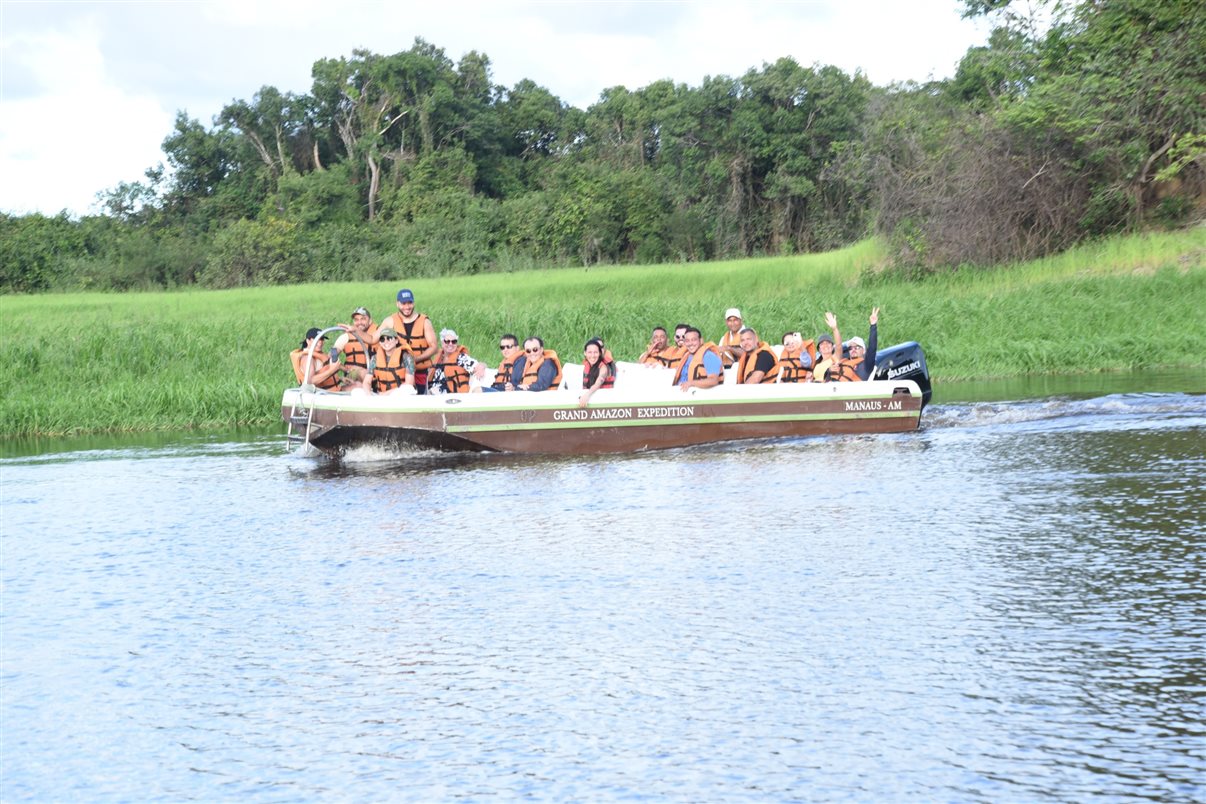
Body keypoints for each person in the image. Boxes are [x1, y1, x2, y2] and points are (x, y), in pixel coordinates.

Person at [379, 289, 438, 393]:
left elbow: (434, 347)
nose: (407, 307)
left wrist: (415, 359)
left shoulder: (424, 321)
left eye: (409, 303)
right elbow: (373, 339)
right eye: (403, 303)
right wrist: (355, 330)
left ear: (413, 303)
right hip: (399, 371)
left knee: (419, 397)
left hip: (420, 370)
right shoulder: (390, 321)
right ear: (397, 304)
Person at [828, 307, 880, 382]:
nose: (853, 350)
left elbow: (872, 348)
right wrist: (828, 370)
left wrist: (873, 325)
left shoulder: (866, 365)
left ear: (864, 351)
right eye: (851, 348)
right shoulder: (843, 361)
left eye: (857, 347)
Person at [428, 328, 477, 394]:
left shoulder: (461, 358)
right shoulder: (438, 359)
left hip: (452, 396)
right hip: (433, 392)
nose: (450, 344)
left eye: (453, 341)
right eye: (447, 341)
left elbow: (478, 366)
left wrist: (481, 366)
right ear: (442, 343)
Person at [332, 306, 378, 374]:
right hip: (353, 375)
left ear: (370, 320)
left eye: (363, 319)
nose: (359, 322)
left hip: (375, 375)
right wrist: (346, 370)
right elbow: (332, 355)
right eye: (356, 320)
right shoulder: (346, 337)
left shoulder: (378, 334)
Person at [371, 328, 415, 394]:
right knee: (357, 391)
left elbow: (409, 384)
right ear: (380, 343)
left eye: (389, 338)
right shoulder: (375, 358)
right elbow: (367, 381)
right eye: (382, 339)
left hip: (400, 395)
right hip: (380, 395)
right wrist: (367, 392)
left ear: (396, 340)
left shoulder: (407, 357)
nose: (386, 342)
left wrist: (386, 394)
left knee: (408, 389)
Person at [578, 337, 615, 407]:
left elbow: (599, 381)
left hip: (604, 401)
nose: (592, 356)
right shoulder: (586, 366)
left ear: (599, 353)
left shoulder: (603, 367)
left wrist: (587, 394)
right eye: (589, 352)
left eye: (595, 352)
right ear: (585, 353)